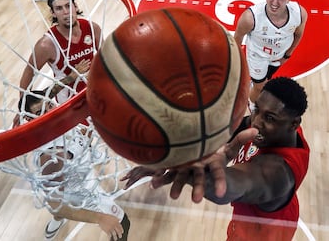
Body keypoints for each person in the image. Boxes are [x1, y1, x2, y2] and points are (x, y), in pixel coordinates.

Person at [122, 77, 309, 240]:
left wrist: (192, 169)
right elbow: (233, 129)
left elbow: (232, 186)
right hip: (277, 212)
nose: (256, 121)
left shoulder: (278, 174)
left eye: (269, 118)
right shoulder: (282, 132)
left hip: (259, 234)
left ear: (294, 124)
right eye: (257, 110)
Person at [17, 62, 130, 241]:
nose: (48, 114)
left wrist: (71, 77)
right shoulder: (53, 157)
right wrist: (99, 217)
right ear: (29, 118)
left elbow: (48, 95)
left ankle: (58, 221)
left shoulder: (54, 119)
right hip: (79, 191)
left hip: (75, 171)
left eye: (49, 106)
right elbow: (55, 204)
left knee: (57, 189)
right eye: (40, 112)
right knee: (121, 224)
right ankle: (63, 217)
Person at [234, 0, 308, 108]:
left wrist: (288, 54)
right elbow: (237, 40)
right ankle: (253, 105)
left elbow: (298, 34)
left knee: (266, 78)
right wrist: (238, 63)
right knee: (259, 87)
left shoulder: (299, 13)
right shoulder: (250, 18)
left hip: (279, 55)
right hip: (258, 57)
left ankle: (256, 84)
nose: (274, 2)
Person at [19, 0, 101, 103]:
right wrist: (23, 104)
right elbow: (29, 72)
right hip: (69, 100)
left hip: (95, 89)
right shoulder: (46, 45)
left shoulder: (92, 28)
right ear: (53, 13)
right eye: (59, 8)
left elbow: (106, 57)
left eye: (68, 6)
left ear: (75, 7)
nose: (65, 12)